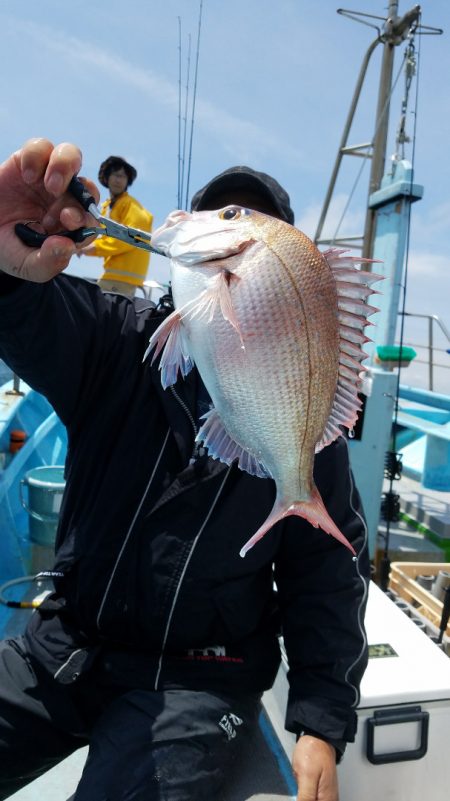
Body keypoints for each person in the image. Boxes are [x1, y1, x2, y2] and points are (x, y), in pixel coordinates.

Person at [0, 138, 370, 801]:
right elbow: (33, 316)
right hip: (67, 644)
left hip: (202, 677)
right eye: (219, 211)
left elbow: (327, 571)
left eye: (246, 219)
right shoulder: (119, 340)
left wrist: (320, 716)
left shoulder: (307, 415)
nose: (228, 221)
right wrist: (6, 269)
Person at [79, 154, 153, 298]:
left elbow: (129, 236)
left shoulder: (132, 206)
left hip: (122, 279)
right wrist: (82, 244)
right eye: (116, 175)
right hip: (113, 275)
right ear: (107, 177)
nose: (119, 180)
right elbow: (106, 237)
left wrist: (91, 248)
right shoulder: (109, 206)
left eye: (123, 176)